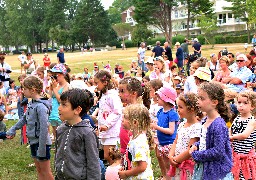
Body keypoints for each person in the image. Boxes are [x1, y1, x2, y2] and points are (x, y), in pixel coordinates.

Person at [6, 76, 54, 180]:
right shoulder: (31, 103)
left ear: (32, 90)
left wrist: (41, 148)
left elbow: (44, 129)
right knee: (39, 171)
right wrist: (13, 129)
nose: (22, 91)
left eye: (24, 89)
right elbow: (24, 118)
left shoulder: (41, 107)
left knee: (46, 172)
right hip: (33, 142)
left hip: (42, 144)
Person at [189, 82, 233, 179]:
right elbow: (207, 141)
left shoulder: (218, 125)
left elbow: (218, 151)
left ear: (214, 102)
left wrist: (196, 155)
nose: (198, 101)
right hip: (206, 166)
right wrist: (196, 146)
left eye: (202, 98)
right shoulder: (205, 120)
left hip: (216, 171)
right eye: (198, 97)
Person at [55, 89, 100, 179]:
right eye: (60, 104)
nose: (59, 108)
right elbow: (58, 154)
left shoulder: (87, 133)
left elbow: (93, 162)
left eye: (64, 105)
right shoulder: (60, 129)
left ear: (77, 110)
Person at [169, 93, 202, 179]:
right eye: (177, 107)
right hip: (177, 163)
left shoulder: (196, 127)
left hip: (186, 165)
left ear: (191, 109)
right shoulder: (182, 124)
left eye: (180, 107)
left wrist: (176, 160)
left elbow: (189, 150)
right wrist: (171, 156)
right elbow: (176, 141)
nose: (178, 110)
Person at [118, 104, 154, 179]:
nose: (122, 119)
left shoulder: (139, 142)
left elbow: (142, 166)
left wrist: (126, 174)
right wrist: (125, 167)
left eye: (125, 117)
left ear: (135, 122)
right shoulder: (134, 138)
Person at [94, 70, 122, 164]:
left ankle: (117, 173)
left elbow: (117, 112)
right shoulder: (104, 95)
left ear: (105, 82)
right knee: (108, 156)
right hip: (105, 130)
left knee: (110, 156)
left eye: (97, 83)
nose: (96, 85)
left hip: (112, 131)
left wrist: (107, 125)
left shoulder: (112, 95)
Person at [151, 86, 179, 180]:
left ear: (166, 99)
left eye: (159, 97)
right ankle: (167, 177)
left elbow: (171, 131)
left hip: (169, 144)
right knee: (166, 164)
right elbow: (160, 124)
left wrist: (157, 127)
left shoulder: (172, 113)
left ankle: (171, 178)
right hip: (162, 143)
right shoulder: (160, 112)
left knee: (171, 165)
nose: (156, 99)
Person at [229, 91, 256, 180]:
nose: (241, 105)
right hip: (236, 155)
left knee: (245, 176)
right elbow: (231, 129)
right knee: (235, 176)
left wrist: (232, 137)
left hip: (246, 157)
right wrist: (229, 135)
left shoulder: (252, 121)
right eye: (239, 102)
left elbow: (245, 135)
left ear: (252, 106)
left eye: (245, 103)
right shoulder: (237, 118)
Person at [49, 64, 70, 141]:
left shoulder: (67, 86)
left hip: (61, 113)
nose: (55, 77)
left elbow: (61, 100)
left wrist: (54, 88)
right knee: (55, 131)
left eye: (56, 75)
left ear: (63, 75)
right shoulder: (56, 85)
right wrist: (51, 89)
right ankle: (57, 145)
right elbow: (50, 97)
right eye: (53, 75)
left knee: (63, 131)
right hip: (53, 111)